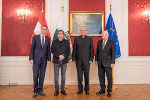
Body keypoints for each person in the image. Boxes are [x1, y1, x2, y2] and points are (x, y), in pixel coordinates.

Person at [29, 25, 51, 98]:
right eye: (43, 29)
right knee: (35, 75)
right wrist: (31, 58)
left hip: (44, 60)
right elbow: (32, 48)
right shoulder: (35, 37)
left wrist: (49, 59)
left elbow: (48, 50)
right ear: (41, 29)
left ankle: (40, 90)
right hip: (36, 60)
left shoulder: (48, 39)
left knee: (42, 75)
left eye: (45, 29)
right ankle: (35, 91)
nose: (44, 30)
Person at [72, 26, 94, 95]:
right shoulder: (77, 38)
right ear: (80, 31)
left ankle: (87, 89)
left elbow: (92, 50)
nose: (83, 31)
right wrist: (74, 58)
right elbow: (74, 49)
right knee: (79, 76)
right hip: (78, 61)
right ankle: (80, 89)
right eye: (81, 30)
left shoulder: (90, 38)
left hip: (87, 61)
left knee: (86, 76)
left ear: (86, 31)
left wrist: (91, 59)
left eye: (84, 30)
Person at [95, 31, 116, 97]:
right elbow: (97, 52)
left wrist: (112, 62)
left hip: (108, 63)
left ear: (108, 35)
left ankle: (109, 91)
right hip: (100, 63)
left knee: (109, 78)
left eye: (105, 35)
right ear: (102, 36)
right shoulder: (99, 42)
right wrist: (96, 60)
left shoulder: (112, 42)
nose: (104, 36)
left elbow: (113, 53)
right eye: (103, 35)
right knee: (101, 77)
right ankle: (102, 89)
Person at [51, 30, 70, 96]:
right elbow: (52, 50)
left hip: (64, 61)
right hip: (56, 61)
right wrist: (59, 56)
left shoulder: (66, 41)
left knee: (63, 76)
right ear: (57, 34)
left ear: (63, 35)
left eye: (62, 33)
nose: (60, 34)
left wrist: (63, 56)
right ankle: (56, 90)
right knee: (56, 77)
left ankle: (62, 90)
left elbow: (68, 51)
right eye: (59, 33)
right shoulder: (54, 41)